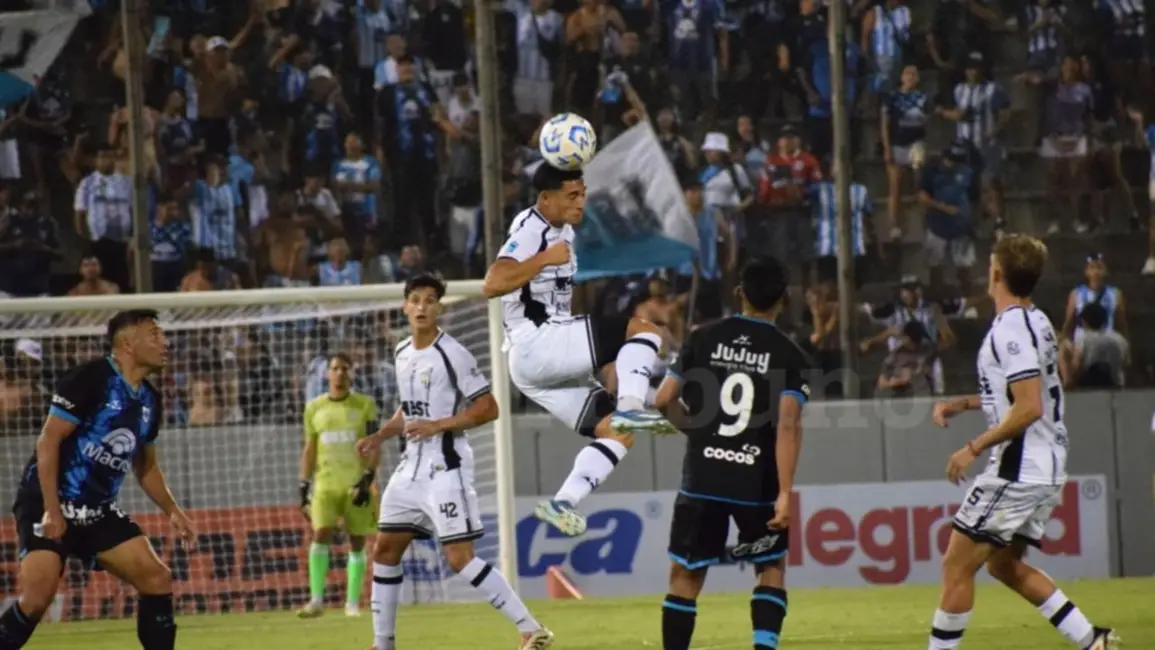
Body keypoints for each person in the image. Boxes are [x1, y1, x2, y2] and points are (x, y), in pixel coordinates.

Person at [927, 235, 1117, 650]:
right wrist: (962, 404)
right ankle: (1092, 640)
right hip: (1045, 463)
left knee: (956, 566)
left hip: (1019, 467)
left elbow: (1029, 406)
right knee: (1004, 565)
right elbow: (1024, 393)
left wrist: (972, 447)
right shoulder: (1037, 321)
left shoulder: (1010, 328)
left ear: (996, 272)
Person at [356, 274, 554, 650]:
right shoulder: (401, 352)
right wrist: (379, 435)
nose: (422, 306)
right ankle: (383, 644)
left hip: (445, 467)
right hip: (410, 467)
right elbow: (410, 409)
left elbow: (489, 407)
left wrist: (439, 425)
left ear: (438, 308)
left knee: (460, 559)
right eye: (415, 299)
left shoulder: (453, 353)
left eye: (430, 300)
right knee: (384, 550)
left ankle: (532, 629)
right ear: (405, 306)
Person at [482, 163, 676, 538]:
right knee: (645, 330)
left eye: (583, 194)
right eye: (572, 195)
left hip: (535, 365)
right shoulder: (531, 230)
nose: (580, 202)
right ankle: (632, 408)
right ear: (545, 198)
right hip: (537, 343)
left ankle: (562, 504)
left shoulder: (563, 230)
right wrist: (543, 258)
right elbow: (492, 283)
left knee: (616, 434)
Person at [0, 310, 193, 650]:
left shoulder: (151, 400)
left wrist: (173, 510)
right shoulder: (90, 378)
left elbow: (146, 467)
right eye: (154, 334)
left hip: (96, 511)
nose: (165, 342)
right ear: (127, 343)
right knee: (37, 598)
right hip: (48, 500)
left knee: (156, 578)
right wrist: (52, 509)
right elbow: (48, 441)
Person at [652, 257, 812, 650]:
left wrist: (697, 431)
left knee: (686, 574)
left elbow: (663, 399)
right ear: (784, 299)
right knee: (770, 566)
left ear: (739, 292)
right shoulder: (791, 355)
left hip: (702, 479)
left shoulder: (702, 337)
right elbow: (788, 425)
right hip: (757, 483)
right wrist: (785, 493)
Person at [297, 354, 380, 619]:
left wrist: (368, 478)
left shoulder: (365, 405)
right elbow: (310, 448)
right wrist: (303, 485)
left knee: (357, 540)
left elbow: (374, 444)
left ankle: (352, 603)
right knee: (320, 533)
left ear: (352, 373)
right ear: (327, 374)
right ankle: (316, 600)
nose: (340, 373)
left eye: (345, 368)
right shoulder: (314, 408)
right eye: (335, 368)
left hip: (355, 483)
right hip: (325, 484)